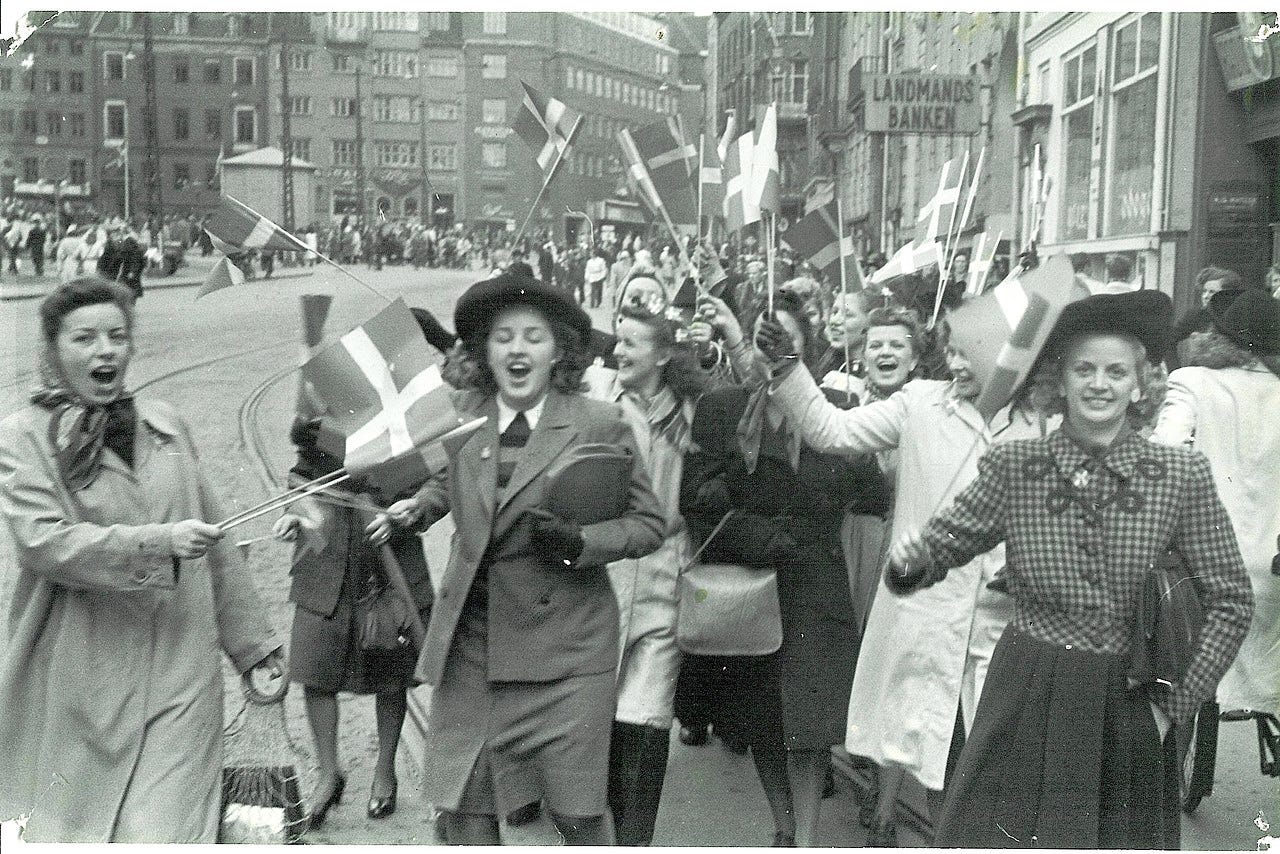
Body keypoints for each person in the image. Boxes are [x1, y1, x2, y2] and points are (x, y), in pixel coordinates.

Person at [885, 288, 1253, 848]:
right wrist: (909, 561)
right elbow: (942, 546)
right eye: (1084, 369)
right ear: (1060, 378)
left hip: (1128, 701)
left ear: (1141, 383)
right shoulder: (1017, 466)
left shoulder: (1180, 475)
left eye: (1115, 371)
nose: (1099, 384)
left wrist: (1173, 706)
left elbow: (1231, 601)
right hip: (1025, 688)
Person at [369, 270, 664, 845]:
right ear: (484, 349)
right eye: (503, 336)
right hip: (475, 649)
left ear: (559, 351)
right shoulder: (461, 417)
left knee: (578, 818)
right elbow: (455, 483)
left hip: (567, 654)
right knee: (465, 813)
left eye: (534, 335)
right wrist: (420, 507)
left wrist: (584, 544)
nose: (518, 349)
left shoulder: (598, 422)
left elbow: (649, 523)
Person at [756, 307, 1053, 844]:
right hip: (924, 617)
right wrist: (786, 367)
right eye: (954, 352)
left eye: (974, 354)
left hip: (1003, 629)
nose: (960, 364)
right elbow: (830, 429)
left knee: (982, 770)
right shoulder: (921, 403)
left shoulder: (1043, 424)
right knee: (933, 759)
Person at [0, 279, 283, 842]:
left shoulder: (167, 426)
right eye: (85, 338)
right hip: (80, 672)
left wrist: (253, 646)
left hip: (181, 666)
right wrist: (159, 542)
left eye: (117, 336)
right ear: (53, 349)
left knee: (164, 833)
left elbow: (218, 541)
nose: (105, 350)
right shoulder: (22, 437)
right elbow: (42, 542)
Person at [676, 292, 889, 847]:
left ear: (802, 352)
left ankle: (808, 838)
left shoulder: (833, 410)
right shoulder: (723, 409)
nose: (772, 357)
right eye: (763, 343)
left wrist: (862, 455)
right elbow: (695, 503)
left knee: (811, 724)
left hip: (815, 580)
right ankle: (784, 828)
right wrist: (755, 534)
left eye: (785, 344)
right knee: (761, 718)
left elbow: (870, 495)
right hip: (750, 585)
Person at [272, 415, 434, 826]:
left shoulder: (394, 405)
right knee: (314, 670)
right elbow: (302, 476)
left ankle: (385, 770)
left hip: (386, 562)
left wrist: (400, 516)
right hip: (323, 559)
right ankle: (329, 772)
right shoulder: (321, 396)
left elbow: (426, 486)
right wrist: (297, 514)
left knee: (392, 672)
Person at [601, 303, 709, 845]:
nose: (618, 351)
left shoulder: (691, 412)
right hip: (606, 574)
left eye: (632, 343)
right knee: (599, 708)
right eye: (618, 341)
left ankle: (634, 839)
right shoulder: (602, 406)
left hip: (666, 571)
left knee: (648, 714)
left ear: (663, 354)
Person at [1152, 288, 1280, 721]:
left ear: (1220, 337)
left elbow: (1163, 455)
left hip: (1205, 571)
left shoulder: (1193, 382)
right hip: (1273, 574)